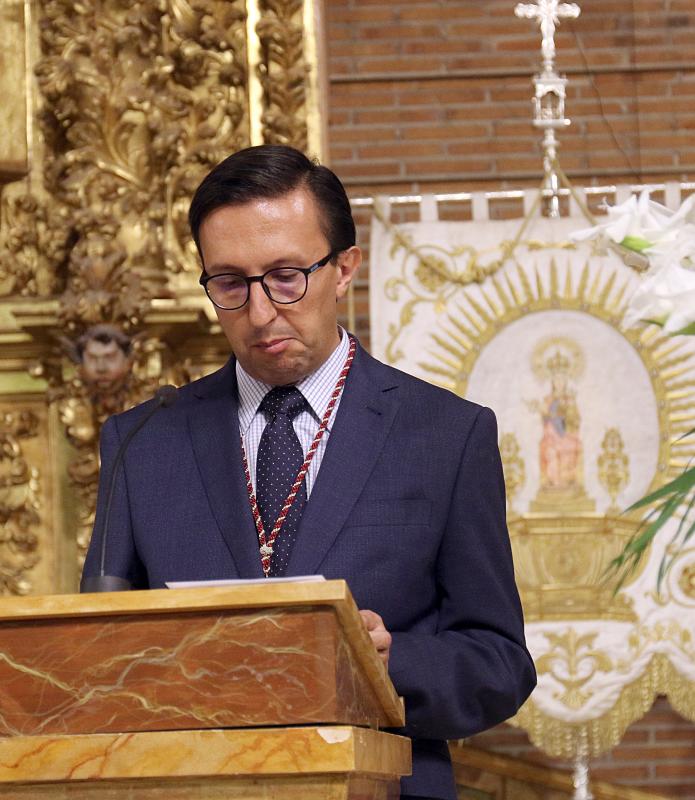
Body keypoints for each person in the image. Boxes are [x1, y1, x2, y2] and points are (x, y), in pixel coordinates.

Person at [83, 144, 536, 800]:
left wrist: (388, 663)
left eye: (286, 275)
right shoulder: (142, 442)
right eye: (230, 284)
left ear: (344, 268)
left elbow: (499, 666)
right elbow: (98, 657)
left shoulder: (444, 436)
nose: (261, 312)